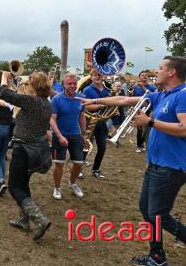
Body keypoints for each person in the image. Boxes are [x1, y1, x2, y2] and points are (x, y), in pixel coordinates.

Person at [77, 56, 185, 266]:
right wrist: (95, 101)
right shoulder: (161, 94)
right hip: (156, 165)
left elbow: (185, 128)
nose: (157, 70)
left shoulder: (182, 95)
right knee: (147, 210)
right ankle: (157, 256)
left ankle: (161, 254)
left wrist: (150, 122)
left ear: (172, 72)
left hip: (171, 166)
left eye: (161, 67)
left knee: (158, 215)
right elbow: (124, 100)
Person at [0, 72, 52, 241]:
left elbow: (4, 93)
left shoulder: (31, 101)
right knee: (23, 184)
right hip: (37, 150)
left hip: (23, 149)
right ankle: (23, 220)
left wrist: (5, 78)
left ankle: (39, 219)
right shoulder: (47, 104)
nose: (26, 86)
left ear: (35, 86)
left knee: (14, 187)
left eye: (29, 84)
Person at [49, 73, 86, 200]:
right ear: (64, 84)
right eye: (69, 83)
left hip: (75, 134)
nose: (72, 86)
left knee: (79, 163)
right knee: (59, 164)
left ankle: (72, 183)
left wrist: (83, 133)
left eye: (74, 83)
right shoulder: (56, 99)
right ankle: (57, 187)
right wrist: (59, 136)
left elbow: (82, 116)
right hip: (60, 134)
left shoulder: (81, 98)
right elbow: (52, 120)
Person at [81, 69, 111, 179]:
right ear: (91, 77)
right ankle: (79, 168)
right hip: (90, 122)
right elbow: (86, 106)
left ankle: (96, 169)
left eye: (99, 75)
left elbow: (112, 106)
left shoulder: (108, 90)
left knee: (102, 147)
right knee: (86, 146)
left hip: (102, 123)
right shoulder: (87, 90)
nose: (97, 76)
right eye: (95, 75)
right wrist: (103, 104)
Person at [133, 71, 158, 153]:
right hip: (139, 110)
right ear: (139, 77)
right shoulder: (135, 87)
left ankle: (148, 144)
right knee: (139, 128)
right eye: (142, 75)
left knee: (149, 129)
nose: (144, 76)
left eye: (145, 75)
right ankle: (139, 145)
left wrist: (143, 88)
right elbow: (132, 99)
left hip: (150, 110)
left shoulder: (152, 87)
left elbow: (155, 96)